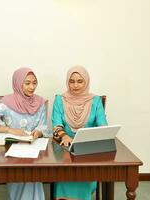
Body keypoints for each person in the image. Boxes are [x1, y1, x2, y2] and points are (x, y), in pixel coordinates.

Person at [0, 67, 50, 200]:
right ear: (18, 83)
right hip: (12, 150)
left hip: (34, 149)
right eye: (27, 83)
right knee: (21, 171)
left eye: (34, 83)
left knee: (34, 170)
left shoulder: (40, 102)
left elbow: (44, 126)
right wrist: (9, 129)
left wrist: (38, 132)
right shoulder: (6, 102)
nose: (32, 87)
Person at [52, 66, 108, 200]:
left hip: (88, 148)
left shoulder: (95, 101)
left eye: (80, 81)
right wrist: (64, 135)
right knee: (64, 167)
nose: (75, 85)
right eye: (71, 81)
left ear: (86, 82)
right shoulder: (60, 99)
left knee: (87, 169)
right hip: (65, 147)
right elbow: (56, 125)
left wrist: (94, 135)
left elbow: (103, 125)